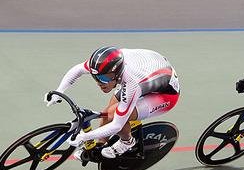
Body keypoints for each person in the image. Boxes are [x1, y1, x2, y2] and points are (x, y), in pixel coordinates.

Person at [44, 46, 180, 160]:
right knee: (111, 108)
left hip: (165, 93)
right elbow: (78, 70)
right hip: (150, 70)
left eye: (104, 78)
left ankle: (127, 142)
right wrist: (58, 91)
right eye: (95, 76)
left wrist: (85, 137)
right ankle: (100, 146)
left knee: (114, 113)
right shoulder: (104, 64)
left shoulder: (132, 83)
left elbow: (116, 125)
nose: (99, 82)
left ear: (117, 73)